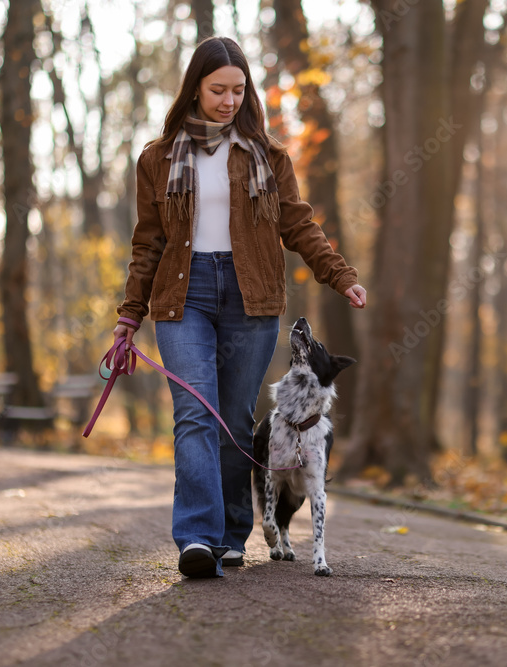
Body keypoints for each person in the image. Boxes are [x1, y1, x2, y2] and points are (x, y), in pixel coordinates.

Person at [112, 36, 366, 578]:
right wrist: (130, 314)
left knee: (233, 417)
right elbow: (148, 243)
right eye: (217, 89)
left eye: (238, 90)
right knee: (195, 413)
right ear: (195, 89)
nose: (228, 100)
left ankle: (231, 535)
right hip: (184, 296)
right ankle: (197, 539)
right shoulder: (158, 159)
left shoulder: (267, 156)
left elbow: (297, 223)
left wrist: (339, 276)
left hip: (252, 297)